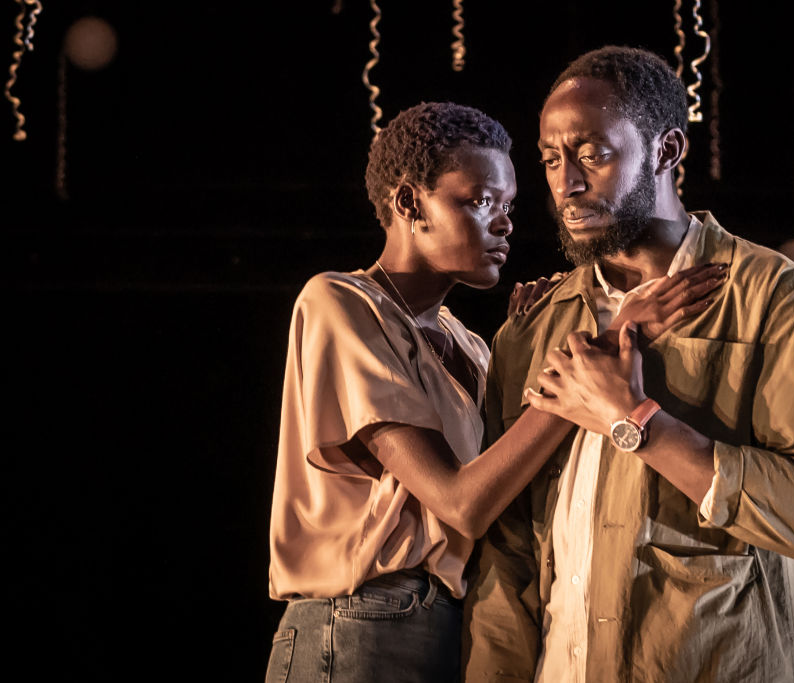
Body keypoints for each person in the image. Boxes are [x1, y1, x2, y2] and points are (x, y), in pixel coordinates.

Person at [265, 102, 723, 683]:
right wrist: (604, 346)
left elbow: (503, 482)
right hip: (359, 623)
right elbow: (460, 502)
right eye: (480, 202)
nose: (505, 223)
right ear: (410, 204)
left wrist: (521, 347)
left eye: (508, 206)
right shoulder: (341, 303)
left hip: (449, 623)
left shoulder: (474, 345)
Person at [463, 47, 794, 683]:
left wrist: (637, 420)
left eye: (593, 153)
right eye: (550, 159)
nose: (566, 182)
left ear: (667, 151)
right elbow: (508, 555)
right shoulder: (532, 326)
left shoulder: (772, 296)